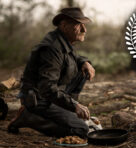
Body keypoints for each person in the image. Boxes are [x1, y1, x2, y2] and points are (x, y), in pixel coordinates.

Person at [8, 7, 95, 138]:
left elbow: (68, 58)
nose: (84, 30)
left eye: (84, 25)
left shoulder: (63, 41)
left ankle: (67, 113)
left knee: (83, 72)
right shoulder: (51, 48)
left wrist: (84, 62)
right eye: (79, 25)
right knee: (81, 130)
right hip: (39, 99)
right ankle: (28, 118)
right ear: (64, 25)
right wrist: (75, 105)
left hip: (50, 94)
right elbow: (47, 88)